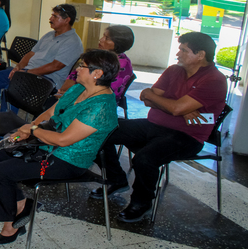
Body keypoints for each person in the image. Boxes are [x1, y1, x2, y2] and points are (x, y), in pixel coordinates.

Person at [0, 49, 119, 244]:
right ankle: (22, 203)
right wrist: (28, 128)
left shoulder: (101, 107)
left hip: (67, 160)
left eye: (82, 66)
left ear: (97, 74)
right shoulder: (79, 89)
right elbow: (50, 112)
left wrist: (32, 132)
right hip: (45, 145)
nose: (77, 69)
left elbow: (64, 140)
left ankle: (10, 226)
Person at [91, 32, 228, 223]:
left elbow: (172, 106)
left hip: (187, 136)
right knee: (97, 131)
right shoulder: (174, 70)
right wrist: (175, 106)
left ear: (201, 54)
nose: (178, 53)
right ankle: (116, 179)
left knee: (145, 159)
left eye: (183, 50)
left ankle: (142, 203)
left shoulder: (214, 80)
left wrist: (174, 106)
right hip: (154, 125)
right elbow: (146, 96)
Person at [0, 4, 83, 113]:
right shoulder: (49, 35)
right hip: (28, 72)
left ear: (67, 20)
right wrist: (18, 67)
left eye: (55, 16)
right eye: (52, 15)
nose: (50, 19)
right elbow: (31, 54)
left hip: (47, 79)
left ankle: (6, 123)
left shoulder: (73, 41)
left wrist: (27, 73)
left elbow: (56, 66)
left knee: (12, 88)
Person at [55, 25, 135, 101]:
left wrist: (71, 95)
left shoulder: (121, 66)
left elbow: (102, 93)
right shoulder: (99, 56)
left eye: (106, 38)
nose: (101, 39)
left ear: (118, 43)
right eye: (103, 36)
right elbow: (74, 75)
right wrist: (65, 90)